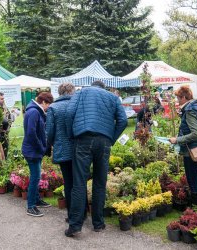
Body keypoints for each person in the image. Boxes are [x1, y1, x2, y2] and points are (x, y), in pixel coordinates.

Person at [64, 80, 127, 237]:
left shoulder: (81, 92)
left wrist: (71, 135)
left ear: (92, 85)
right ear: (103, 87)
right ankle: (98, 223)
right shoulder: (112, 97)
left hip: (83, 138)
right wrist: (111, 139)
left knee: (79, 183)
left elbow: (69, 113)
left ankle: (75, 226)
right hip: (104, 141)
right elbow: (123, 120)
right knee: (100, 183)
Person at [46, 83, 87, 223]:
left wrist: (52, 143)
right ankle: (83, 213)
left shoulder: (53, 108)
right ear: (71, 91)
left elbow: (49, 132)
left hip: (63, 149)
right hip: (80, 148)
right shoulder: (78, 105)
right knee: (80, 182)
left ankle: (72, 216)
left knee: (69, 183)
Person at [169, 86, 197, 205]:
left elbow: (195, 133)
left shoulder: (190, 111)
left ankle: (196, 203)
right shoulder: (194, 108)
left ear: (184, 97)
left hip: (191, 149)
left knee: (192, 176)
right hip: (195, 146)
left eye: (178, 98)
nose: (177, 100)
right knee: (194, 175)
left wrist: (177, 140)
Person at [22, 92, 54, 217]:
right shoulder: (34, 112)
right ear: (44, 102)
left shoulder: (36, 111)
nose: (48, 108)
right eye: (48, 105)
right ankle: (31, 206)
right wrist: (42, 147)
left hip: (34, 150)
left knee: (36, 176)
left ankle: (36, 200)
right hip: (32, 151)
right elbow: (31, 133)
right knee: (35, 178)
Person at [0, 92, 12, 158]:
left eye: (3, 98)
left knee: (5, 148)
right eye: (1, 99)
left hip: (5, 133)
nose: (3, 100)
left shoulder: (5, 108)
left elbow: (9, 119)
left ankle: (5, 162)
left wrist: (7, 129)